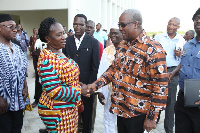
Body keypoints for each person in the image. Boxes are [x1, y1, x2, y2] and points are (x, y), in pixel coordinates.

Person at [88, 9, 168, 133]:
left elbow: (160, 87)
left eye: (122, 25)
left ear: (136, 24)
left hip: (138, 114)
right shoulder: (123, 45)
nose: (119, 28)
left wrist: (152, 118)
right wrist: (95, 85)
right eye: (119, 25)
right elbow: (113, 70)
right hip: (121, 109)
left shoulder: (153, 49)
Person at [37, 17, 90, 133]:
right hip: (56, 111)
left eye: (64, 33)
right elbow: (54, 90)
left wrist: (75, 83)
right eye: (59, 34)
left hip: (68, 108)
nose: (64, 36)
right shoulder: (47, 59)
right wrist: (79, 90)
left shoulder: (59, 52)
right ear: (48, 38)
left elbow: (63, 78)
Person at [63, 14, 100, 133]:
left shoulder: (93, 42)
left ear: (85, 26)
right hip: (70, 89)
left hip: (87, 90)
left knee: (87, 120)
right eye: (75, 24)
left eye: (80, 25)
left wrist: (89, 87)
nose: (77, 27)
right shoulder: (66, 41)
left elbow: (95, 68)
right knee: (70, 119)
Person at [169, 8, 200, 133]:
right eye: (196, 19)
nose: (198, 21)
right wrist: (172, 73)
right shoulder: (187, 45)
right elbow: (183, 64)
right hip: (183, 98)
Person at [154, 17, 185, 133]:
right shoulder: (159, 37)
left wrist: (181, 54)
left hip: (174, 72)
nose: (171, 26)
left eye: (174, 25)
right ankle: (152, 121)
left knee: (171, 103)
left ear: (178, 27)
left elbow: (184, 60)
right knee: (155, 97)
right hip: (158, 72)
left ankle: (169, 129)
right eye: (169, 24)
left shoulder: (182, 41)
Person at [0, 14, 29, 133]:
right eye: (10, 26)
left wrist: (25, 87)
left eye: (16, 27)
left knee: (17, 129)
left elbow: (23, 70)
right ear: (0, 28)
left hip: (18, 102)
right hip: (3, 103)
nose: (15, 30)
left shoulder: (17, 47)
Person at [97, 27, 123, 133]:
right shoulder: (107, 50)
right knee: (108, 120)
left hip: (124, 94)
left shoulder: (129, 49)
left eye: (116, 33)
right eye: (111, 33)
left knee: (123, 122)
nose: (113, 36)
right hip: (109, 93)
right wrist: (99, 90)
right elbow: (101, 70)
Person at [85, 20, 103, 132]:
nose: (88, 29)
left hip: (92, 84)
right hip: (80, 85)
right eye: (87, 27)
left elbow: (98, 66)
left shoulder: (98, 44)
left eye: (91, 27)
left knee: (90, 114)